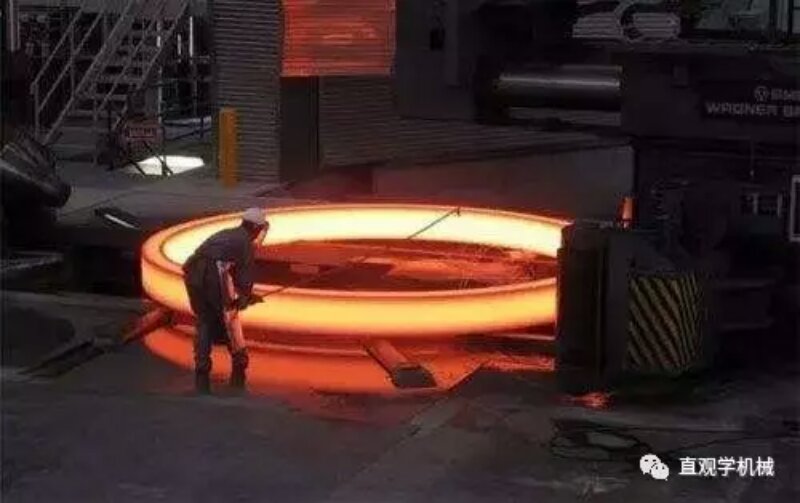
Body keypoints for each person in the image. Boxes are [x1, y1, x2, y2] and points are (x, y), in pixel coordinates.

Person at [182, 208, 269, 393]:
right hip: (212, 273)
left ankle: (202, 365)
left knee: (204, 319)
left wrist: (242, 295)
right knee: (229, 315)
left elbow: (232, 270)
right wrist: (244, 297)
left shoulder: (229, 233)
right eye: (261, 229)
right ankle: (239, 358)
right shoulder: (245, 243)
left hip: (192, 272)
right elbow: (244, 275)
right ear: (256, 228)